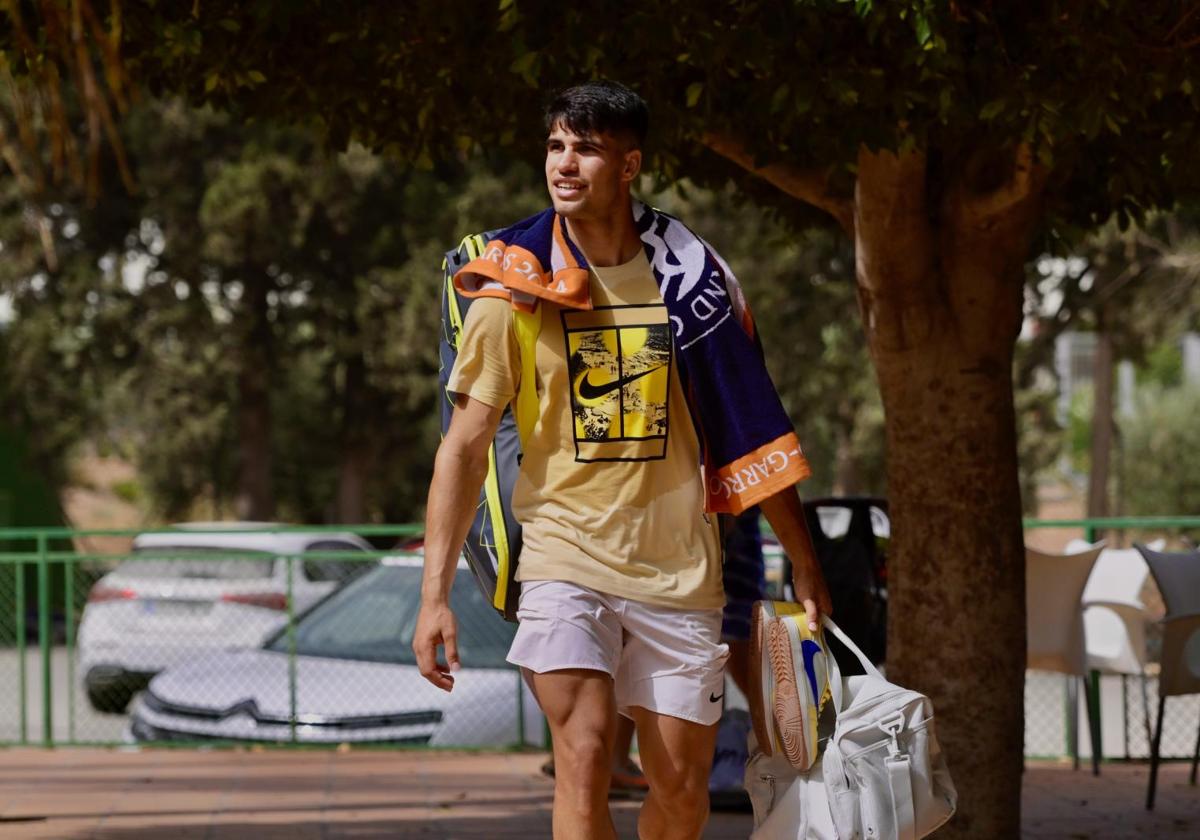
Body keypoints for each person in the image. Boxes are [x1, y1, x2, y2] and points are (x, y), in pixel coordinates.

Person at [414, 80, 831, 840]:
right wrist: (433, 594)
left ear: (630, 163)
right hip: (564, 560)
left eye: (588, 149)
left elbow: (752, 427)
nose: (565, 164)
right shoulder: (513, 284)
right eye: (556, 146)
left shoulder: (692, 280)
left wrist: (804, 564)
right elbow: (464, 447)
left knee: (679, 794)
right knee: (585, 752)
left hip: (681, 573)